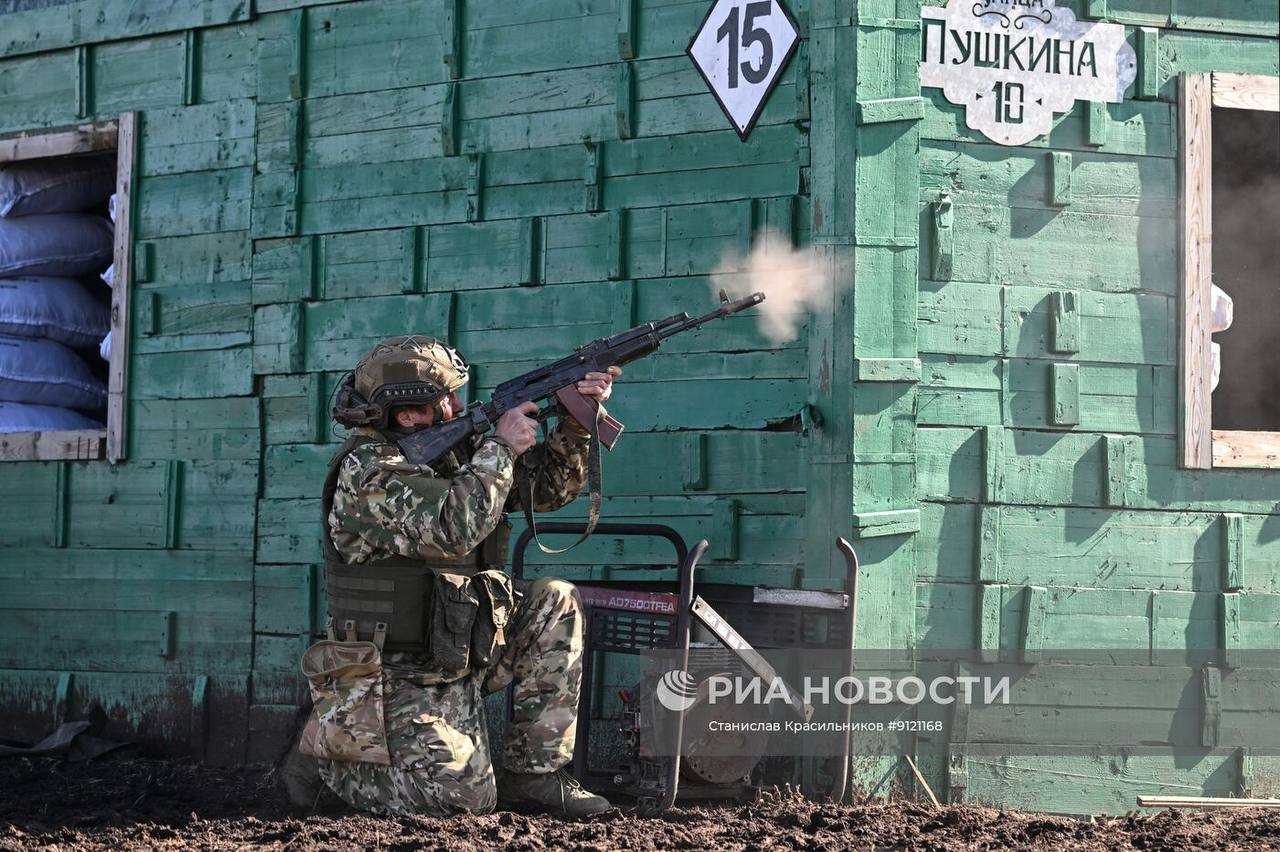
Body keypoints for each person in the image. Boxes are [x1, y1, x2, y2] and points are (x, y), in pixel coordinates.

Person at [276, 335, 620, 819]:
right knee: (464, 800)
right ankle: (331, 752)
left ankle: (536, 775)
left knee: (554, 601)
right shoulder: (369, 473)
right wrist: (500, 448)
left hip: (460, 649)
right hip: (392, 674)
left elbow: (545, 491)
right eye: (445, 398)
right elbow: (451, 531)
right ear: (406, 414)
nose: (457, 405)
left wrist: (575, 418)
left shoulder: (451, 453)